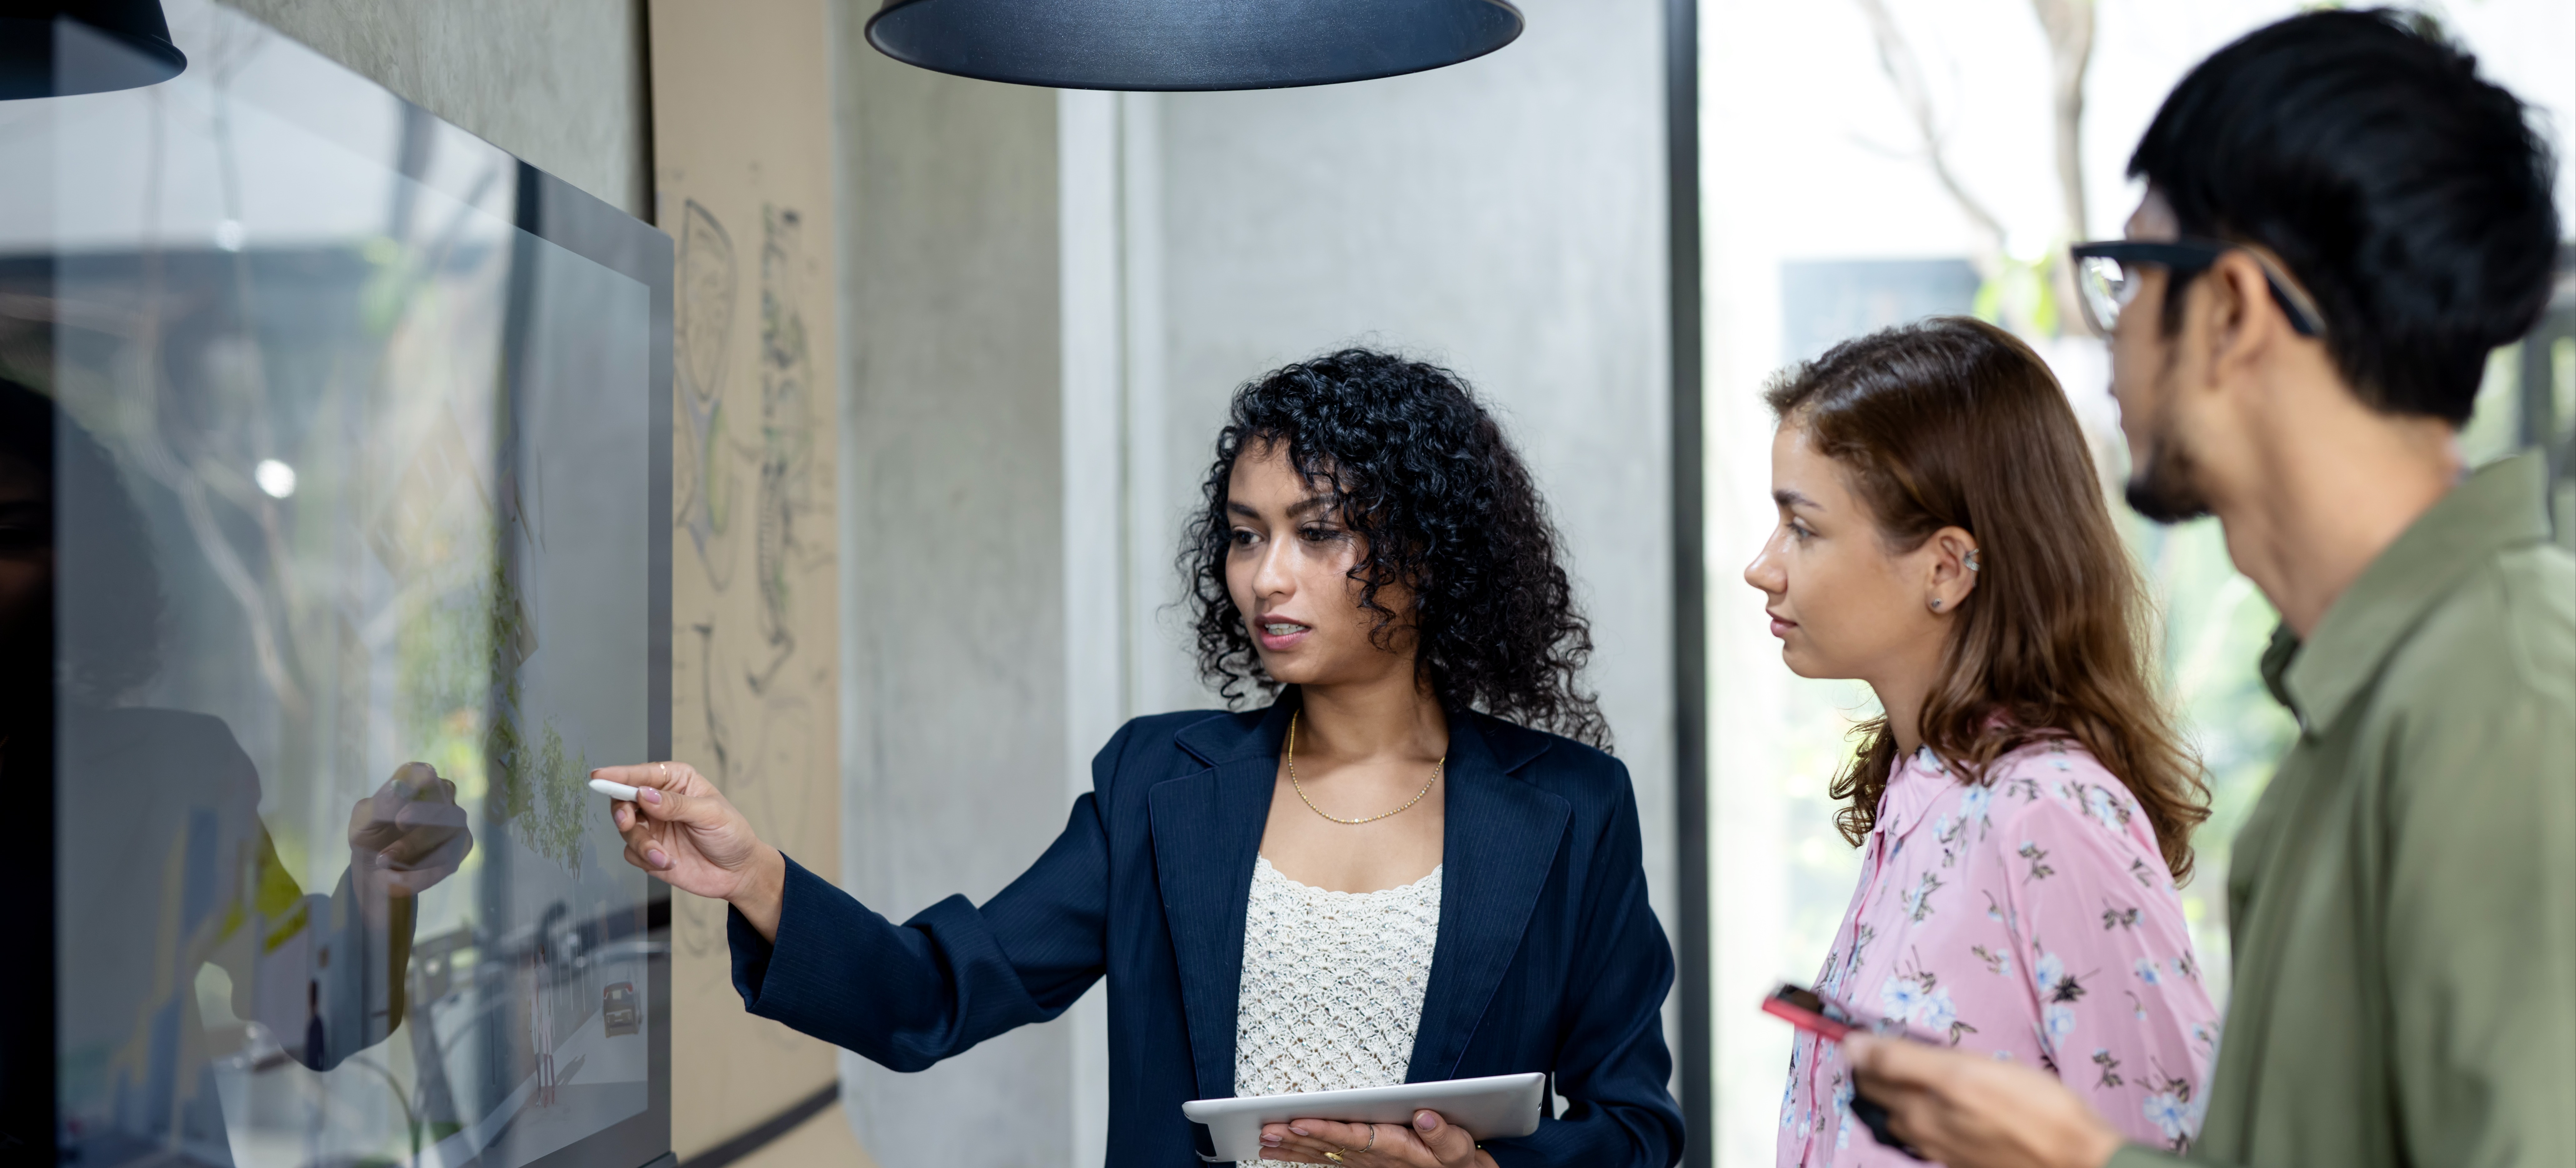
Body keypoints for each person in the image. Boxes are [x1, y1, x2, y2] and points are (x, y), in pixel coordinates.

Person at [596, 349, 1682, 1167]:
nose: (1265, 576)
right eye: (1247, 532)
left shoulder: (1570, 809)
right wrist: (754, 876)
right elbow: (932, 992)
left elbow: (1636, 1126)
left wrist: (1484, 1164)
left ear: (1430, 554)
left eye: (1315, 533)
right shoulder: (1157, 785)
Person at [1841, 11, 2573, 1168]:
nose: (2109, 341)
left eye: (2130, 276)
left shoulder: (2506, 697)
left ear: (2229, 310)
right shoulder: (2372, 704)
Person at [1745, 318, 2220, 1165]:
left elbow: (2170, 1141)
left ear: (1944, 568)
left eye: (1802, 528)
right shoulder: (1917, 792)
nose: (1763, 565)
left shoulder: (2048, 807)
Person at [0, 378, 473, 1159]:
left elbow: (320, 1014)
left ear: (78, 565)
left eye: (12, 533)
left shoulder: (173, 773)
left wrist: (377, 883)